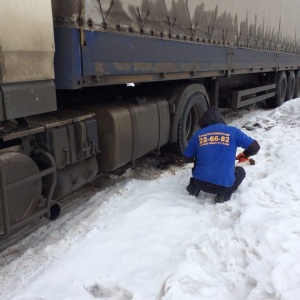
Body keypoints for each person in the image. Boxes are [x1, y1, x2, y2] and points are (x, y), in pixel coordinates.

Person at [183, 106, 260, 203]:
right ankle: (225, 194)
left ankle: (194, 186)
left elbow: (186, 158)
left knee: (198, 162)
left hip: (200, 183)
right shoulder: (233, 132)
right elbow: (255, 147)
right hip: (224, 186)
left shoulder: (198, 134)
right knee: (241, 172)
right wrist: (245, 154)